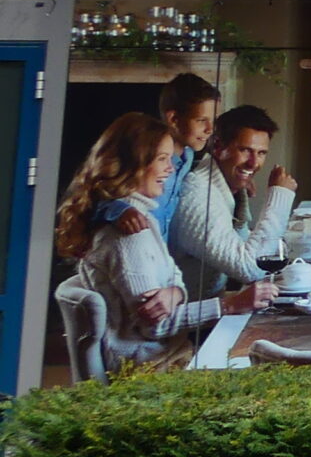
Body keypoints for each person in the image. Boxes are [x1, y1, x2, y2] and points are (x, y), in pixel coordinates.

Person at [55, 113, 273, 369]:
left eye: (171, 159)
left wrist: (175, 292)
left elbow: (174, 276)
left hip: (171, 354)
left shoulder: (139, 215)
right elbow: (156, 325)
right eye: (162, 159)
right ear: (132, 163)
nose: (171, 169)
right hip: (152, 368)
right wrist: (231, 305)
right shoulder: (129, 234)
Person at [169, 105, 297, 298]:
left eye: (261, 153)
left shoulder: (226, 186)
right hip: (190, 322)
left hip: (217, 305)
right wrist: (279, 195)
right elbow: (251, 269)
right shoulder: (198, 194)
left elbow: (243, 246)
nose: (254, 163)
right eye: (245, 150)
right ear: (219, 147)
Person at [94, 72, 219, 244]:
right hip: (134, 244)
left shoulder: (188, 156)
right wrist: (120, 211)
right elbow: (98, 194)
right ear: (174, 119)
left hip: (160, 252)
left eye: (213, 120)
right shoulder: (145, 157)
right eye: (201, 120)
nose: (210, 129)